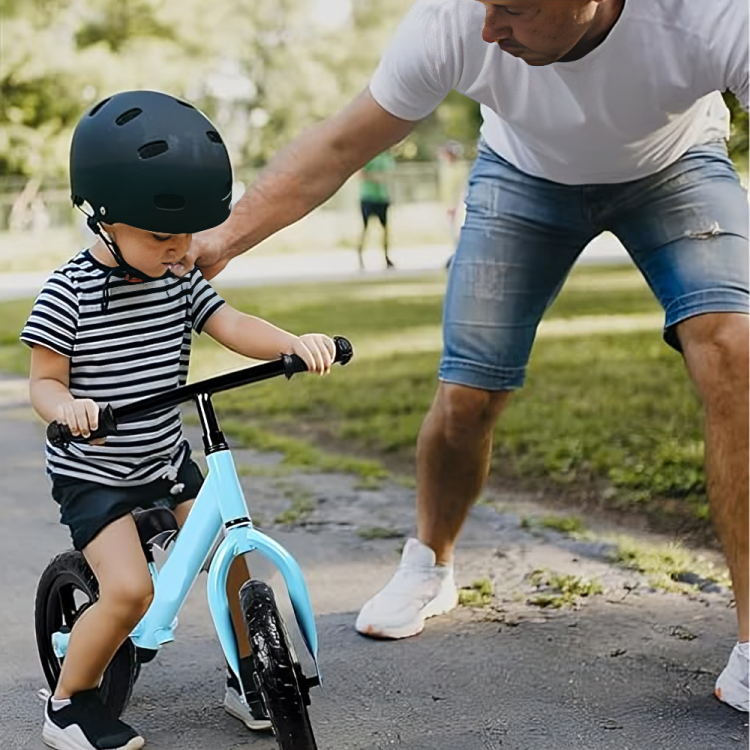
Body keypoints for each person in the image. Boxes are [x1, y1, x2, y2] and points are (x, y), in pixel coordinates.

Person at [183, 0, 749, 713]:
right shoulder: (453, 18)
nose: (488, 29)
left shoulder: (712, 14)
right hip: (522, 176)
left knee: (735, 350)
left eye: (511, 8)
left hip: (676, 167)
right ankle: (430, 560)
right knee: (468, 396)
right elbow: (339, 146)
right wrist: (225, 239)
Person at [21, 90, 336, 750]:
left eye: (189, 233)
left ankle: (251, 675)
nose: (180, 248)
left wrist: (290, 342)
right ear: (106, 222)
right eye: (163, 235)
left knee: (232, 564)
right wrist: (69, 409)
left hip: (164, 456)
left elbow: (231, 324)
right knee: (131, 591)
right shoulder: (67, 292)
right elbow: (44, 383)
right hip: (97, 471)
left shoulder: (179, 276)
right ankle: (66, 704)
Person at [357, 150, 396, 270]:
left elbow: (388, 177)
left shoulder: (387, 158)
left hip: (382, 198)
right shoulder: (368, 156)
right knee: (365, 229)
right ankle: (360, 256)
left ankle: (386, 257)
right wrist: (375, 177)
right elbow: (360, 173)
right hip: (368, 197)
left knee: (385, 230)